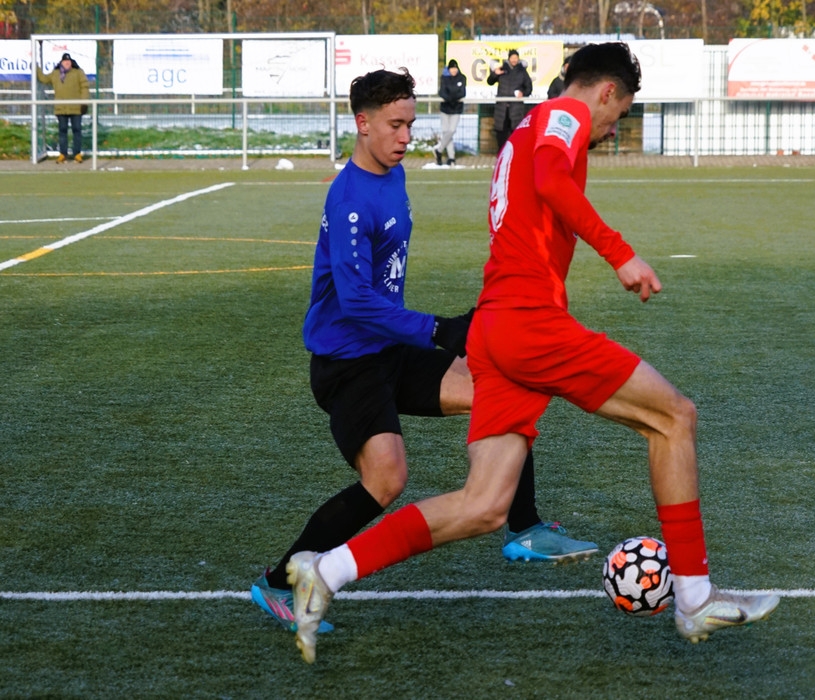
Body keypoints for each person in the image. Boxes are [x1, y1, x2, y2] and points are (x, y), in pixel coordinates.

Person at [285, 43, 780, 664]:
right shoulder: (564, 116)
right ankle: (695, 596)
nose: (613, 127)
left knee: (484, 505)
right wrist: (620, 253)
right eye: (620, 113)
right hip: (528, 323)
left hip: (495, 328)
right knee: (674, 416)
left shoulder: (526, 128)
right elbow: (549, 179)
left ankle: (325, 570)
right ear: (607, 93)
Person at [250, 68, 596, 635]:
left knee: (500, 384)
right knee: (386, 481)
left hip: (390, 349)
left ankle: (525, 528)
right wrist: (438, 329)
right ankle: (278, 582)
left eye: (410, 123)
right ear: (362, 124)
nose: (406, 136)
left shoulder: (394, 174)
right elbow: (355, 302)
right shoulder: (349, 199)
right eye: (395, 125)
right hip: (348, 363)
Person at [36, 52, 89, 164]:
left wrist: (84, 102)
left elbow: (84, 86)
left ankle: (77, 154)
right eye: (65, 61)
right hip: (61, 108)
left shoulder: (78, 72)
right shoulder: (56, 73)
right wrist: (36, 68)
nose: (67, 63)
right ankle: (63, 154)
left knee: (77, 130)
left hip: (76, 108)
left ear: (71, 62)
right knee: (62, 131)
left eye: (68, 61)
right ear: (61, 62)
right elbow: (44, 79)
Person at [486, 48, 532, 151]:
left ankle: (515, 155)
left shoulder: (522, 72)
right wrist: (495, 74)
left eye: (516, 58)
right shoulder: (502, 69)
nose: (514, 60)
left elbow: (529, 87)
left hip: (516, 108)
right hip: (501, 108)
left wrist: (523, 93)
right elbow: (489, 82)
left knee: (516, 134)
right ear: (509, 58)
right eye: (512, 57)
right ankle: (501, 155)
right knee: (501, 134)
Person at [433, 59, 466, 167]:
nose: (454, 70)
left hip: (456, 108)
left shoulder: (462, 78)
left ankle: (439, 150)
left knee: (451, 130)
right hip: (445, 108)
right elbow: (442, 92)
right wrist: (451, 98)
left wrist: (451, 97)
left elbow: (462, 93)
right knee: (446, 132)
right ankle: (451, 157)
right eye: (452, 68)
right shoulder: (444, 78)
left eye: (455, 68)